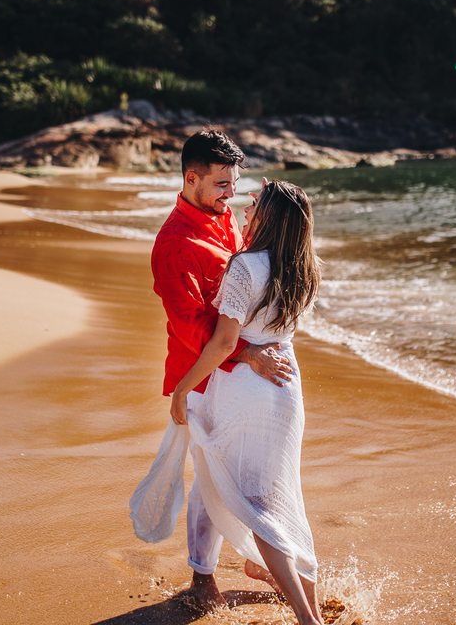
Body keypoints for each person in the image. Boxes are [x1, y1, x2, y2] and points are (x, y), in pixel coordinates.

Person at [169, 179, 323, 625]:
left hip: (245, 386)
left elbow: (222, 344)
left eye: (254, 205)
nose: (246, 210)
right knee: (280, 494)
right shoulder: (306, 269)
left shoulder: (247, 266)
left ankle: (307, 620)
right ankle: (306, 603)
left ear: (270, 216)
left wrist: (182, 389)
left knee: (259, 504)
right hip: (286, 389)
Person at [150, 130, 292, 610]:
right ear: (191, 178)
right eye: (221, 185)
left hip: (240, 373)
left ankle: (257, 555)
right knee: (210, 481)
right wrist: (247, 354)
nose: (230, 194)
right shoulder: (173, 244)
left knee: (252, 475)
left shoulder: (225, 217)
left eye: (234, 184)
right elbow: (191, 326)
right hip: (203, 376)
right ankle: (202, 576)